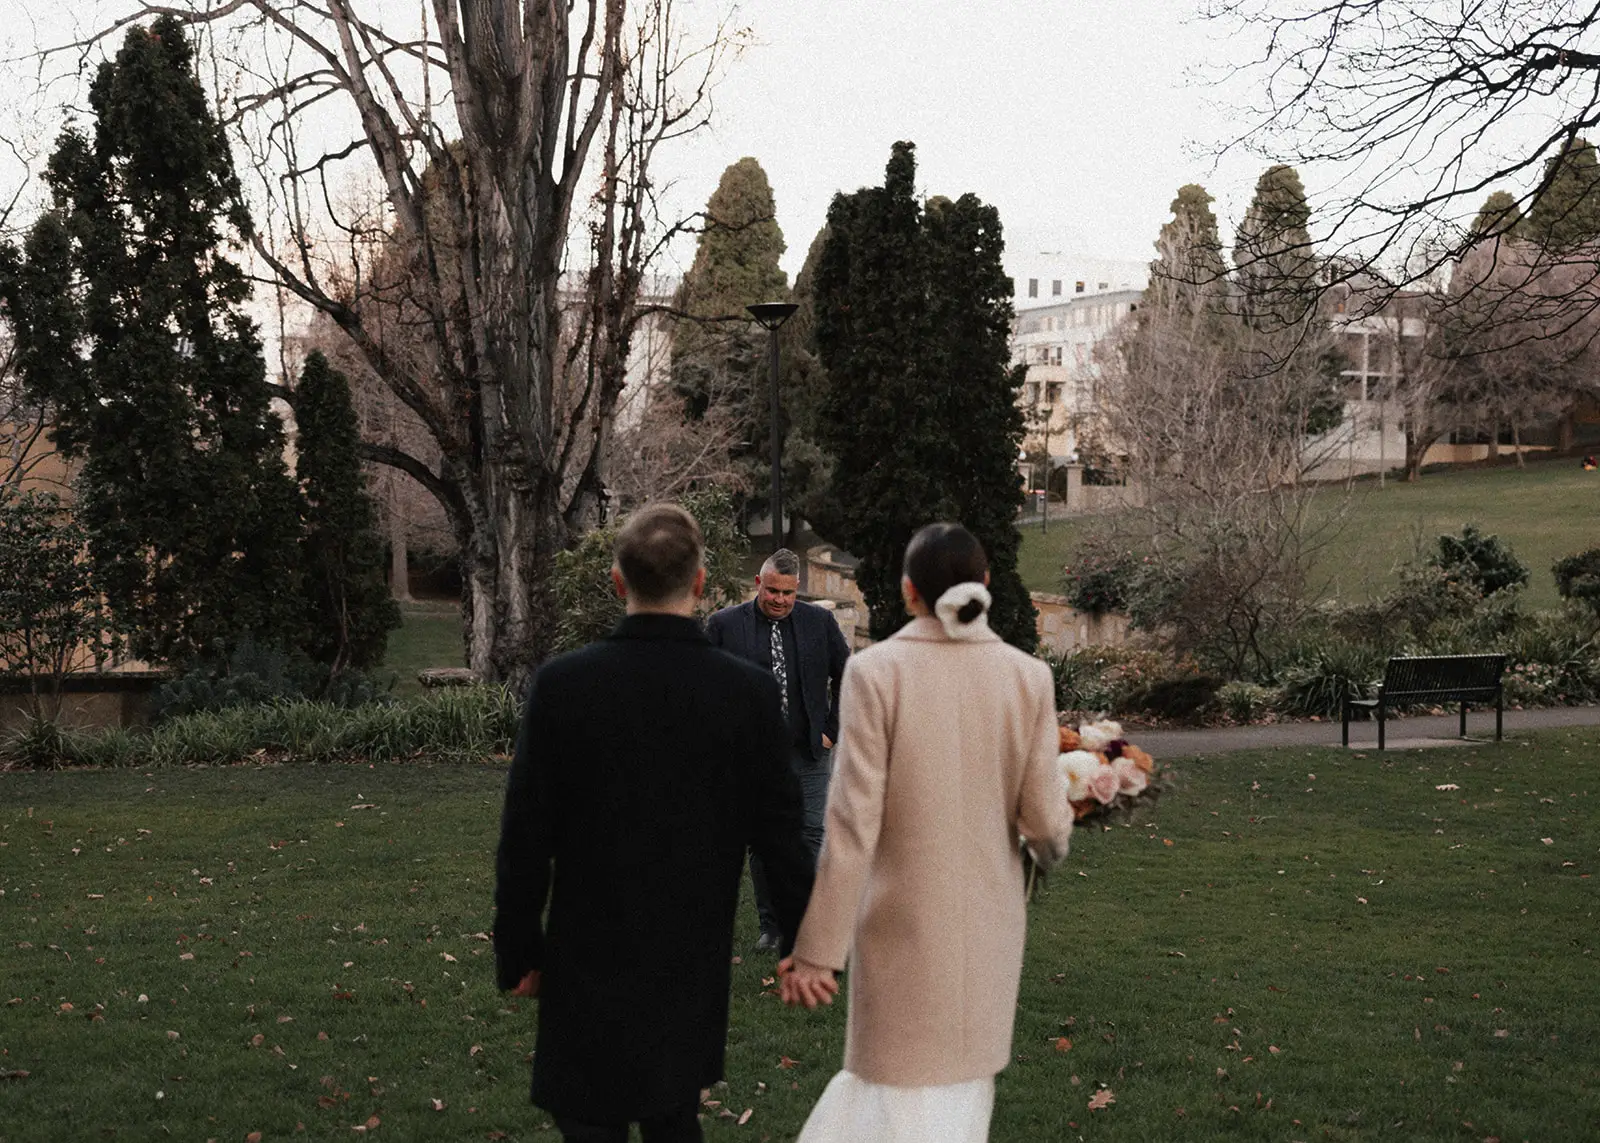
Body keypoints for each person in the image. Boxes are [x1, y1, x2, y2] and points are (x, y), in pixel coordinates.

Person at [493, 503, 815, 1143]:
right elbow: (782, 834)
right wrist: (805, 943)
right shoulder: (744, 693)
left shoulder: (564, 685)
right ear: (700, 584)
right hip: (687, 952)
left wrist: (520, 946)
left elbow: (526, 833)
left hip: (587, 948)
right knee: (671, 1112)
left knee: (591, 1114)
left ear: (618, 582)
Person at [779, 522, 1075, 1142]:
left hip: (900, 927)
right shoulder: (1027, 677)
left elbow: (853, 824)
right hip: (989, 931)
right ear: (986, 583)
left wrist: (817, 951)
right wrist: (1058, 837)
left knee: (894, 1101)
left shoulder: (875, 672)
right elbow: (1045, 823)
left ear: (908, 592)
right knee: (959, 1104)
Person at [706, 547, 850, 951]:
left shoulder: (819, 623)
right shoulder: (724, 625)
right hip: (753, 757)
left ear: (797, 588)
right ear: (758, 583)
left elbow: (848, 674)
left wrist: (831, 730)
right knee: (763, 841)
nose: (780, 600)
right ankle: (771, 927)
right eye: (772, 591)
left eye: (787, 593)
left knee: (811, 834)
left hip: (810, 751)